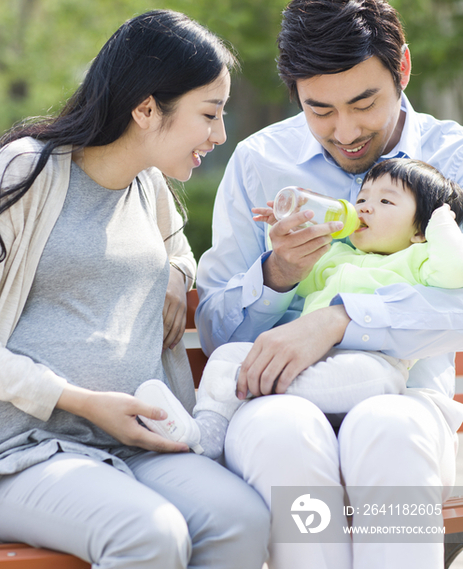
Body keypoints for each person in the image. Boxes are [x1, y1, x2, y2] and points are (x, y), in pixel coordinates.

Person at [196, 0, 463, 569]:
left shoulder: (452, 161)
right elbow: (215, 332)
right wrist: (278, 276)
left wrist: (342, 317)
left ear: (402, 69)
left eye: (364, 102)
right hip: (275, 402)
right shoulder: (261, 163)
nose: (345, 131)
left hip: (407, 399)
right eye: (320, 109)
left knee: (386, 429)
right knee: (285, 435)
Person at [0, 10, 270, 569]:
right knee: (150, 537)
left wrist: (175, 273)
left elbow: (178, 254)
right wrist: (82, 402)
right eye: (209, 113)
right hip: (22, 453)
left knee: (239, 522)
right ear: (146, 109)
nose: (219, 135)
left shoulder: (150, 188)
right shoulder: (26, 174)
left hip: (135, 445)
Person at [137, 157, 463, 457]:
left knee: (368, 377)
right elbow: (299, 279)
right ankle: (203, 438)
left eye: (385, 201)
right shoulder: (337, 255)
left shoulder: (418, 258)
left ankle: (249, 384)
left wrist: (442, 224)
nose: (364, 208)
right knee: (227, 356)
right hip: (307, 363)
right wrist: (285, 235)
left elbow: (454, 269)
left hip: (375, 367)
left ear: (419, 231)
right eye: (362, 199)